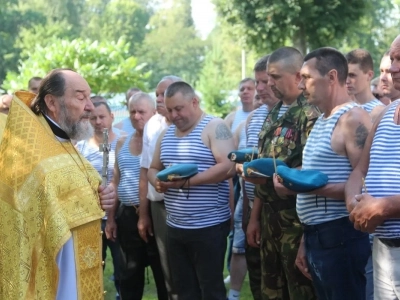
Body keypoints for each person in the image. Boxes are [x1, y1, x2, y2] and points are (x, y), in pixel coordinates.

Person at [0, 69, 115, 299]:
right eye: (81, 97)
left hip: (79, 261)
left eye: (89, 97)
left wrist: (102, 196)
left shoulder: (62, 142)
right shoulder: (31, 153)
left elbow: (73, 192)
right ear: (52, 102)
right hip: (57, 274)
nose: (90, 106)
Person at [294, 48, 372, 300]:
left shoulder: (353, 118)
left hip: (341, 236)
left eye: (306, 77)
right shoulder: (321, 120)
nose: (301, 85)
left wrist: (303, 186)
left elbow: (365, 186)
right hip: (317, 235)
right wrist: (306, 240)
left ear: (331, 77)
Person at [148, 81, 235, 300]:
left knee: (211, 288)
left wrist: (188, 183)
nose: (173, 115)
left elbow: (228, 166)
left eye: (178, 108)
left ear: (194, 102)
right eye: (169, 110)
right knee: (184, 289)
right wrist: (157, 182)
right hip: (175, 226)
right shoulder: (166, 134)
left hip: (209, 226)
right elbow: (153, 168)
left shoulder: (214, 127)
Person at [245, 47, 318, 300]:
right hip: (269, 218)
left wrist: (280, 175)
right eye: (267, 78)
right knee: (271, 291)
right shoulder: (273, 113)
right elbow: (265, 164)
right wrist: (254, 218)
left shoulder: (309, 113)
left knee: (301, 291)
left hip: (296, 220)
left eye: (275, 77)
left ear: (298, 76)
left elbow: (313, 170)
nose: (269, 84)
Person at [345, 34, 400, 300]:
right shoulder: (386, 114)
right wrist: (354, 204)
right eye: (393, 58)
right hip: (383, 252)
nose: (393, 68)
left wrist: (383, 207)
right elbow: (359, 171)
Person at [106, 92, 167, 300]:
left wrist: (146, 215)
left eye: (142, 112)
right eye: (133, 112)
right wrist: (111, 218)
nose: (137, 116)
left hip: (154, 213)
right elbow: (115, 181)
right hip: (126, 214)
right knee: (129, 273)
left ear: (154, 113)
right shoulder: (122, 143)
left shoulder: (161, 141)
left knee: (162, 271)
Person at [237, 55, 280, 300]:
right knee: (257, 274)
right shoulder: (253, 119)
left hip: (281, 210)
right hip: (252, 206)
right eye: (258, 82)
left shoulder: (299, 116)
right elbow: (242, 164)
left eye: (265, 81)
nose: (260, 88)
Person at [137, 75, 181, 300]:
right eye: (157, 95)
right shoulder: (153, 124)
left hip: (186, 205)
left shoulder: (196, 125)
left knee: (189, 269)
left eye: (165, 94)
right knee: (168, 270)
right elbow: (145, 170)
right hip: (159, 207)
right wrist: (144, 215)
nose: (160, 99)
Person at [76, 101, 121, 299]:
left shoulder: (123, 142)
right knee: (92, 267)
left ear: (112, 117)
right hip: (91, 218)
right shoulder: (81, 147)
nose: (98, 121)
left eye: (102, 116)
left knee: (123, 266)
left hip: (118, 216)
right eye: (93, 117)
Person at [224, 77, 256, 286]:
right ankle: (233, 275)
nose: (245, 92)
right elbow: (229, 154)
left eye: (249, 88)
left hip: (257, 184)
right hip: (239, 179)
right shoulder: (234, 118)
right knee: (237, 232)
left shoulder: (258, 116)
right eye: (241, 88)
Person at [345, 49, 385, 122]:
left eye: (352, 75)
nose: (347, 81)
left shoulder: (379, 112)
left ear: (369, 75)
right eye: (345, 75)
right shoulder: (344, 109)